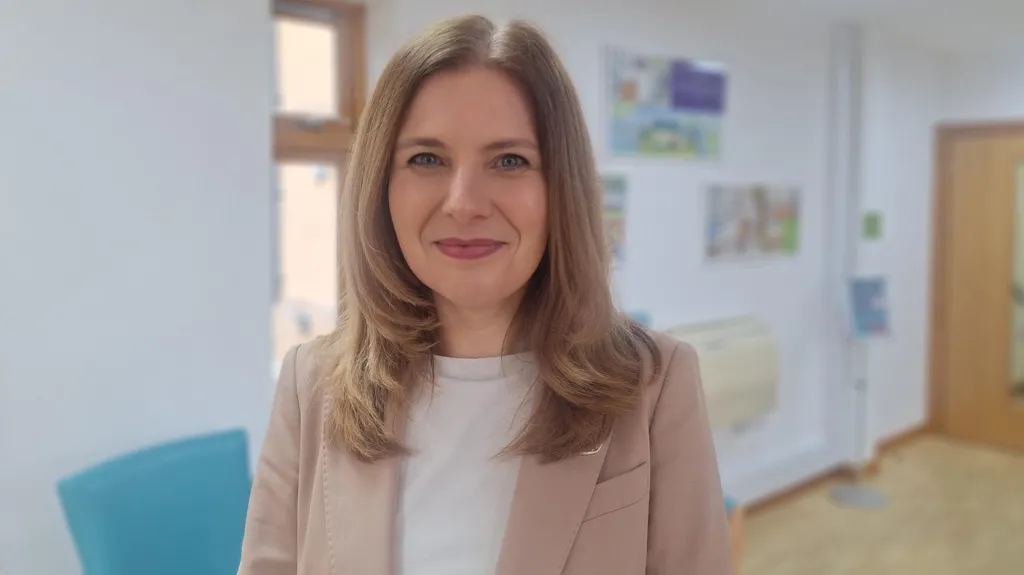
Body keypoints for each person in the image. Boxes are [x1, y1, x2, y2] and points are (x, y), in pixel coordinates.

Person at [238, 14, 732, 575]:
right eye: (426, 158)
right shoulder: (310, 383)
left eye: (509, 161)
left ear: (560, 190)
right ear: (380, 186)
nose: (464, 202)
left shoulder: (656, 384)